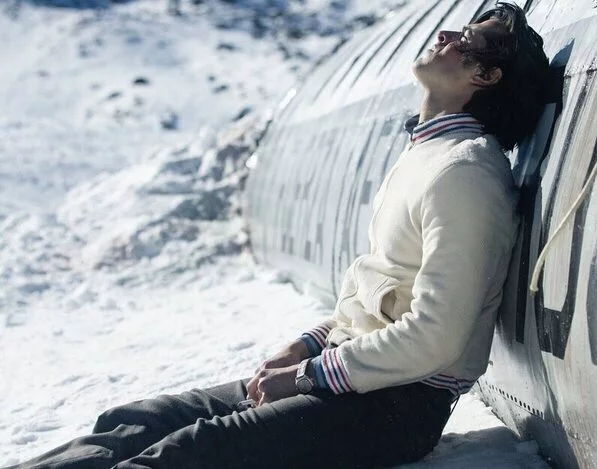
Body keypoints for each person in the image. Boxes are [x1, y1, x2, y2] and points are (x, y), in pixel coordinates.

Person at [7, 3, 549, 468]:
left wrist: (310, 376)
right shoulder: (427, 154)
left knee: (185, 454)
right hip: (355, 374)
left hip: (395, 405)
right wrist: (310, 344)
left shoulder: (466, 172)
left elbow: (437, 336)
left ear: (486, 76)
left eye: (466, 40)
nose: (447, 36)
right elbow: (379, 293)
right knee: (135, 422)